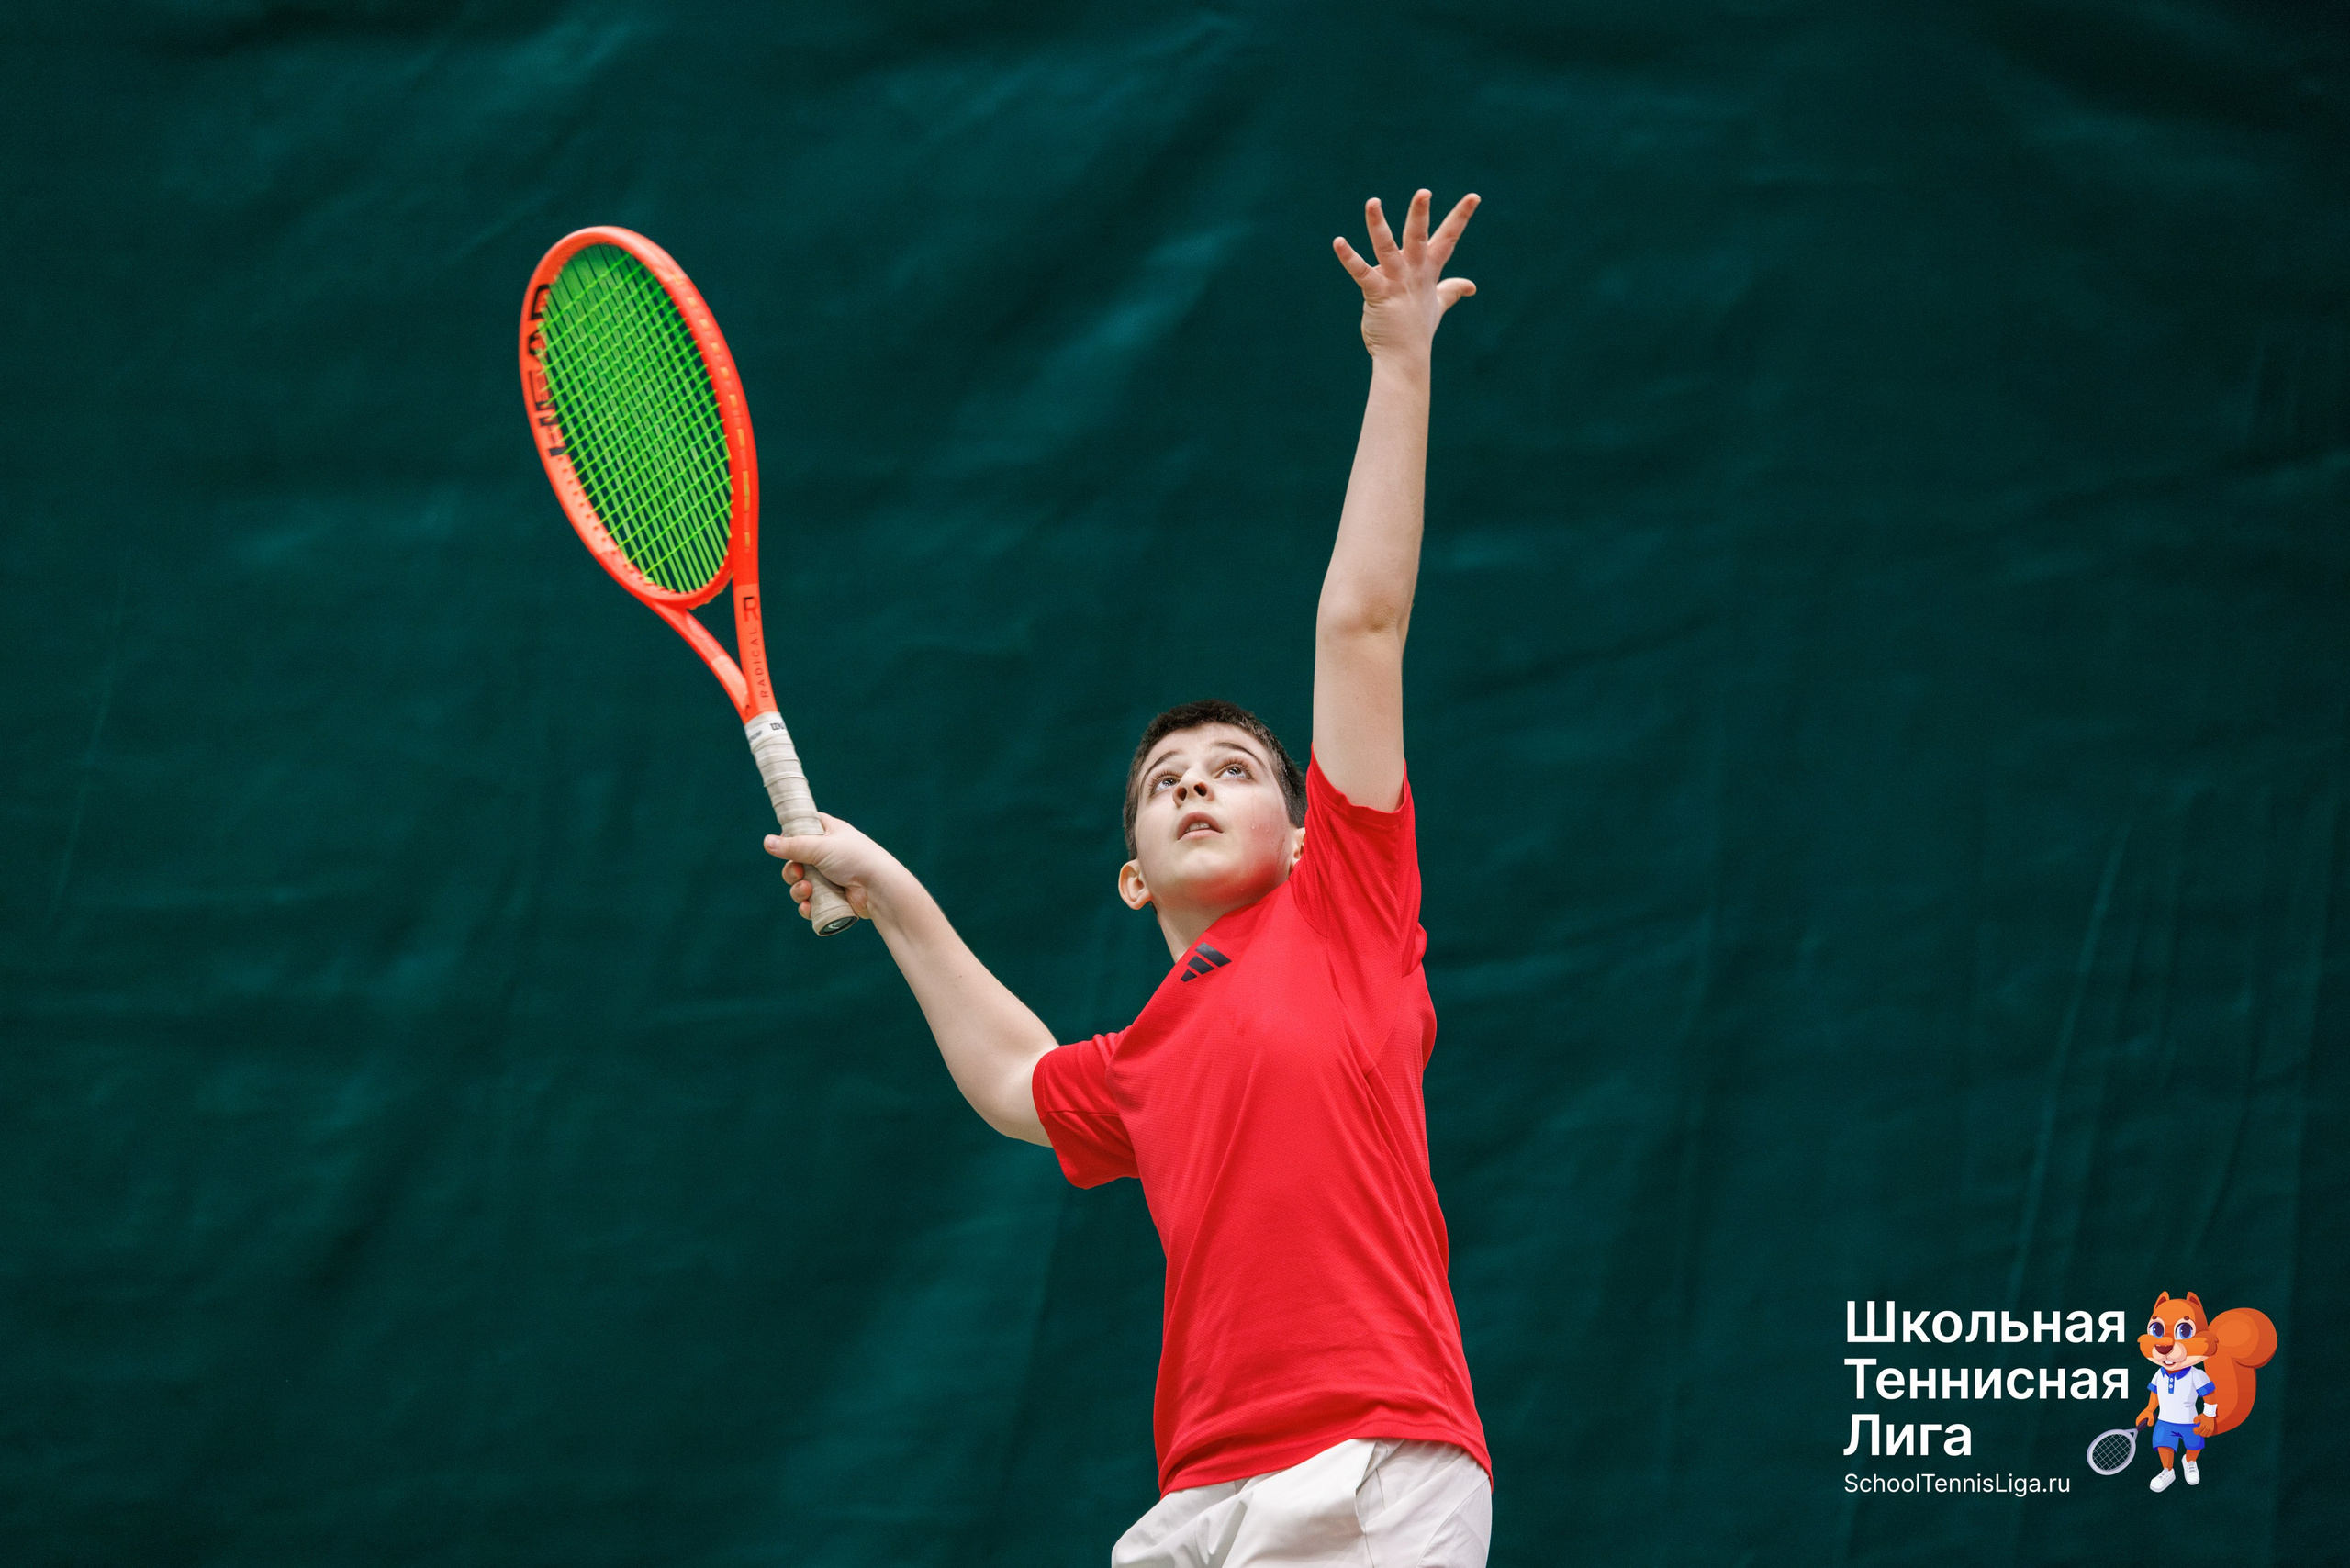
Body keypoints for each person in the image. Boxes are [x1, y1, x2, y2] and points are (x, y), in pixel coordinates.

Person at [767, 188, 1491, 1567]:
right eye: (1165, 785)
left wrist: (1401, 367)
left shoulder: (1348, 908)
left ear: (1301, 831)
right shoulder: (1146, 1058)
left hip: (1378, 1472)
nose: (1193, 788)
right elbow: (1012, 1080)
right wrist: (889, 890)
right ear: (1132, 879)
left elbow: (1363, 623)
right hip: (1201, 1503)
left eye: (1230, 770)